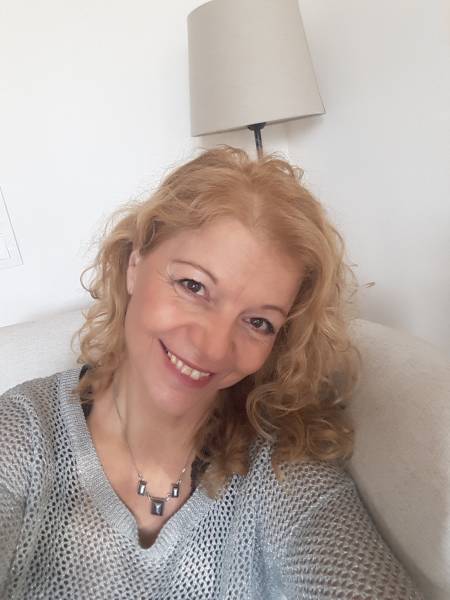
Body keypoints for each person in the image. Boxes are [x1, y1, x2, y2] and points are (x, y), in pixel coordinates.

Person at [0, 146, 424, 599]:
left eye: (258, 322)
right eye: (194, 286)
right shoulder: (22, 433)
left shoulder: (283, 471)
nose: (214, 347)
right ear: (134, 264)